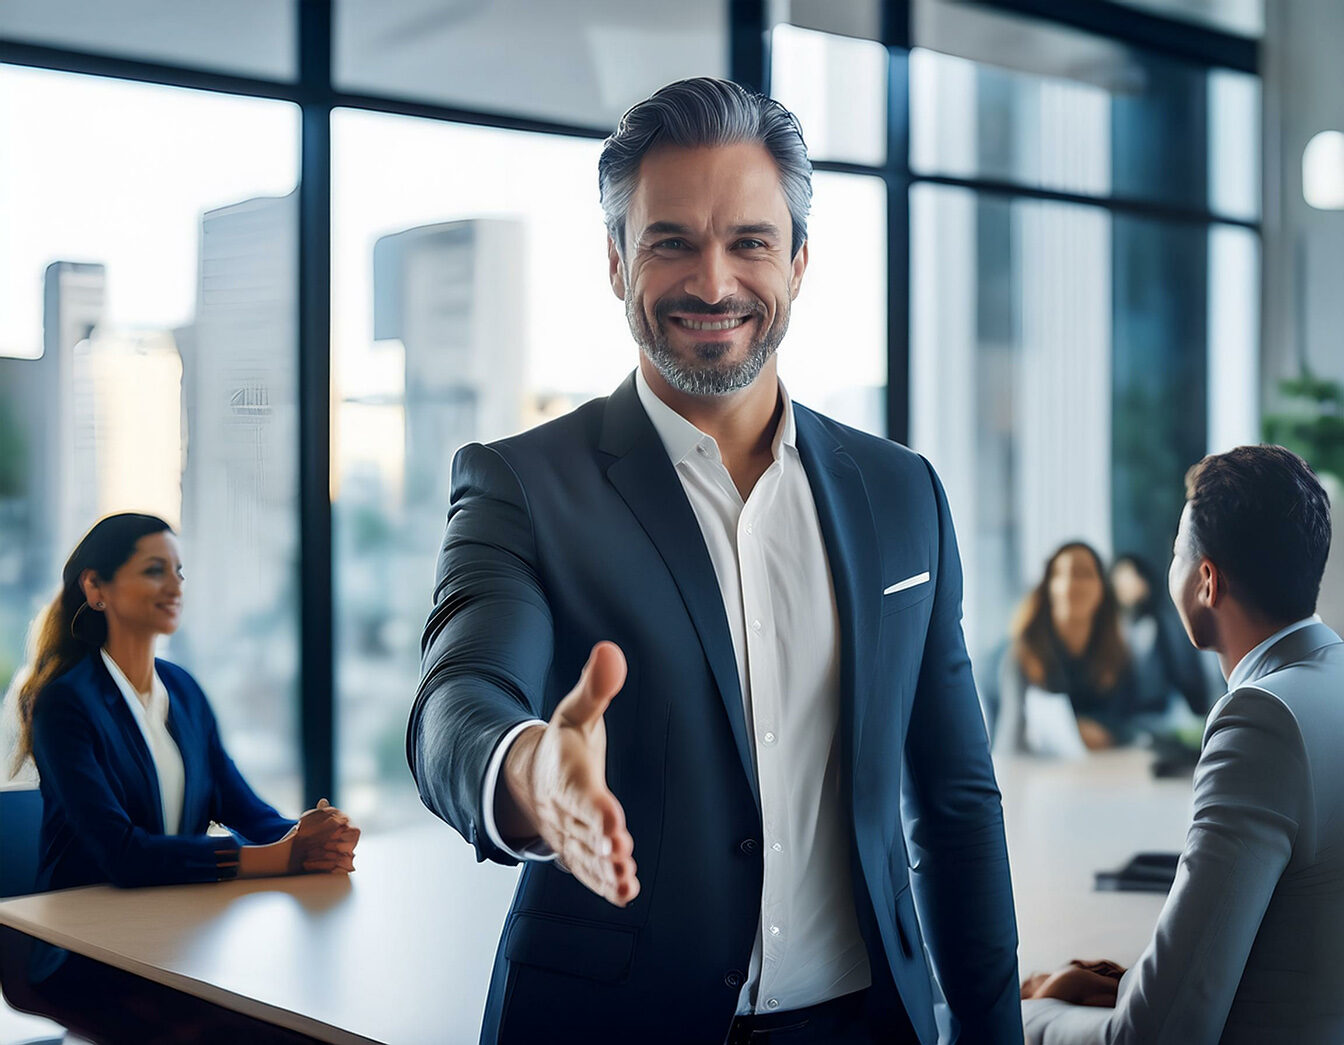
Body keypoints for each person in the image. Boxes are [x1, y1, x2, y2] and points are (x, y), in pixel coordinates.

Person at [407, 78, 1020, 1045]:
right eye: (671, 241)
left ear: (800, 261)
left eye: (750, 242)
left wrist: (991, 1032)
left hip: (867, 1024)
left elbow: (954, 802)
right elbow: (458, 697)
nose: (714, 282)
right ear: (616, 263)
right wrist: (530, 773)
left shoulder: (903, 493)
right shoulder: (522, 486)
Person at [1021, 445, 1344, 1043]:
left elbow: (1161, 1036)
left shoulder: (1261, 718)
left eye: (1175, 553)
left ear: (1206, 581)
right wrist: (1131, 983)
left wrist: (1029, 1013)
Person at [6, 512, 360, 1042]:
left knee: (308, 1015)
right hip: (83, 952)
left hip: (177, 934)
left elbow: (248, 811)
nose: (175, 585)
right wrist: (279, 857)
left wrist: (315, 835)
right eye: (155, 570)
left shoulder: (183, 691)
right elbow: (123, 855)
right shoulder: (64, 703)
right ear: (95, 587)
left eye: (179, 571)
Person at [994, 542, 1134, 755]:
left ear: (1102, 589)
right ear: (1048, 587)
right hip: (1039, 777)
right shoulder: (1022, 654)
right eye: (1060, 574)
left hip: (1101, 775)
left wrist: (1104, 733)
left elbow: (1135, 725)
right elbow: (1009, 744)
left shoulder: (1119, 654)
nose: (1071, 583)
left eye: (1084, 574)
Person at [1110, 552, 1212, 721]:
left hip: (1165, 711)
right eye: (1121, 579)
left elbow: (1184, 669)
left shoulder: (1162, 622)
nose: (1128, 585)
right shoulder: (1115, 627)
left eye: (1133, 577)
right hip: (1129, 714)